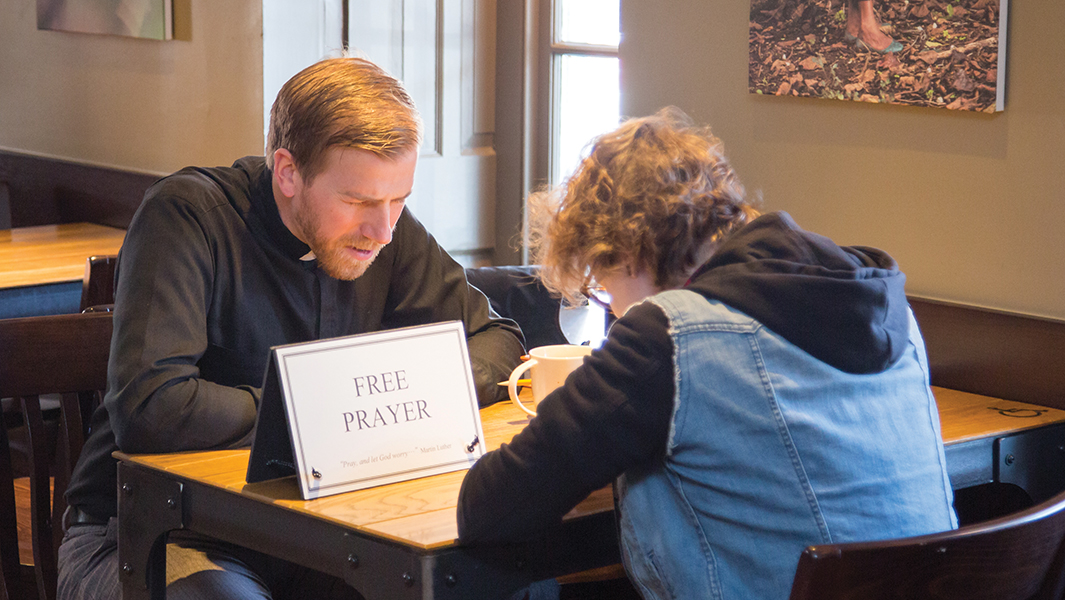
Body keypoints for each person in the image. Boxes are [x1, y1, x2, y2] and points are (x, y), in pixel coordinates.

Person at [58, 57, 525, 600]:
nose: (383, 230)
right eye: (358, 201)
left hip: (314, 533)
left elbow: (498, 339)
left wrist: (401, 396)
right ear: (287, 172)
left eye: (399, 200)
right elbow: (151, 409)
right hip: (146, 534)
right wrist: (319, 412)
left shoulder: (385, 232)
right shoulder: (187, 218)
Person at [456, 107, 957, 599]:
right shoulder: (885, 303)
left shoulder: (669, 335)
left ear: (625, 252)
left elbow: (488, 507)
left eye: (601, 284)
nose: (609, 305)